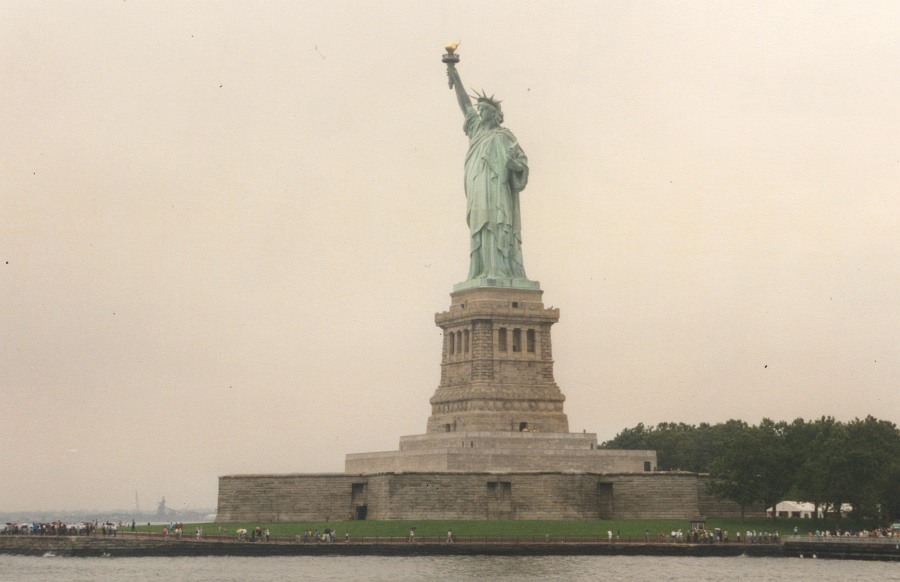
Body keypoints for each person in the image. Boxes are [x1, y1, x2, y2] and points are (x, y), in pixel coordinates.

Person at [446, 59, 530, 283]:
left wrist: (515, 166)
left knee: (496, 225)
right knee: (480, 227)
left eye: (484, 110)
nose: (480, 112)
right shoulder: (475, 130)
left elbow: (522, 164)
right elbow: (465, 105)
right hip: (477, 186)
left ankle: (500, 271)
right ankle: (481, 270)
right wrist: (455, 75)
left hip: (497, 189)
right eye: (480, 109)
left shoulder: (505, 137)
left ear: (495, 114)